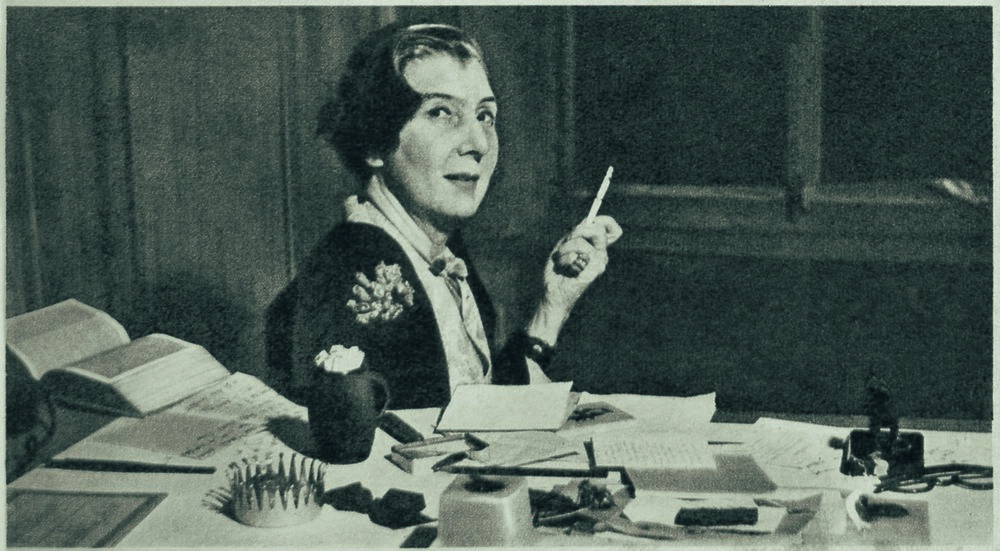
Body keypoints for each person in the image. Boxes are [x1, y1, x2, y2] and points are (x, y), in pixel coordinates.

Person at [273, 22, 621, 415]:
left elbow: (476, 407)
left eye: (485, 116)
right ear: (374, 140)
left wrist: (552, 304)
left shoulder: (435, 245)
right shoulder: (353, 269)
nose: (478, 143)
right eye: (441, 112)